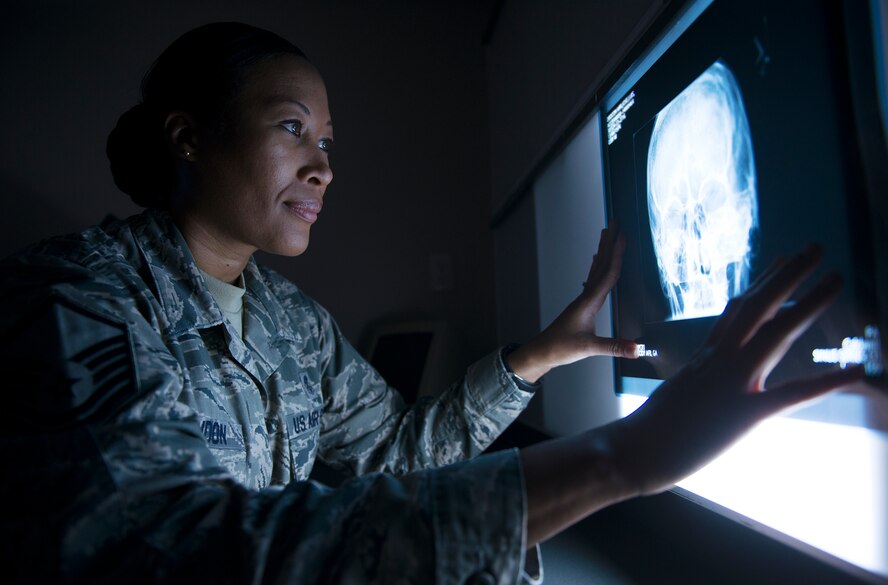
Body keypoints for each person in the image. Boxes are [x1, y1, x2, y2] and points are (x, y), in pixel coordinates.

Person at [0, 22, 862, 584]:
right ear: (188, 137)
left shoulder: (291, 321)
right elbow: (182, 552)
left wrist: (539, 354)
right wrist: (625, 455)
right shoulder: (78, 300)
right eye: (292, 128)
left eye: (327, 141)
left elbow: (397, 451)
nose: (323, 167)